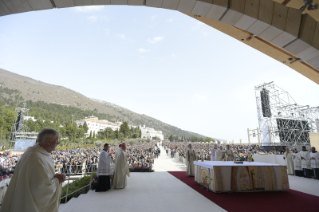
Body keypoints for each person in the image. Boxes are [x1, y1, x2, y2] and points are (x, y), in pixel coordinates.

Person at [1, 128, 66, 212]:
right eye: (56, 140)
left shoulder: (37, 153)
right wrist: (57, 180)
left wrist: (55, 178)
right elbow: (40, 188)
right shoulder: (35, 157)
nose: (58, 143)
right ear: (48, 141)